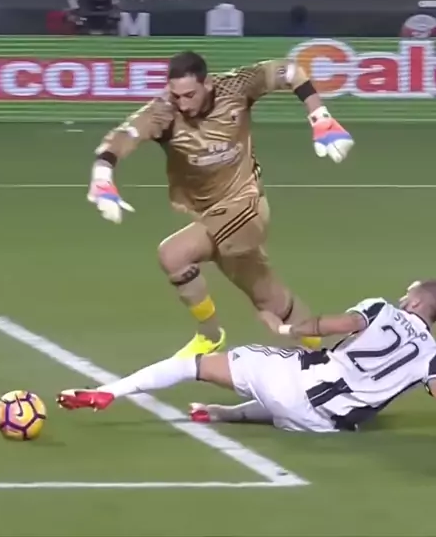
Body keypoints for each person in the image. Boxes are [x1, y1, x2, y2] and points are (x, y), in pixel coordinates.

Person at [86, 51, 354, 359]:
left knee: (173, 254)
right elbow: (122, 138)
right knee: (272, 301)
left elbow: (290, 71)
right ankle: (332, 356)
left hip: (247, 205)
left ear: (208, 84)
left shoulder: (236, 88)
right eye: (176, 95)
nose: (182, 103)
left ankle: (210, 336)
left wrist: (320, 117)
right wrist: (102, 175)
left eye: (190, 94)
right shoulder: (164, 113)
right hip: (210, 215)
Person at [58, 280, 436, 433]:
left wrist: (286, 329)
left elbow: (342, 323)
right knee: (299, 395)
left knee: (194, 365)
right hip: (324, 424)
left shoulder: (382, 309)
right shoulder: (432, 355)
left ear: (418, 302)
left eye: (409, 294)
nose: (403, 297)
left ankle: (108, 392)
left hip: (296, 385)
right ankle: (224, 413)